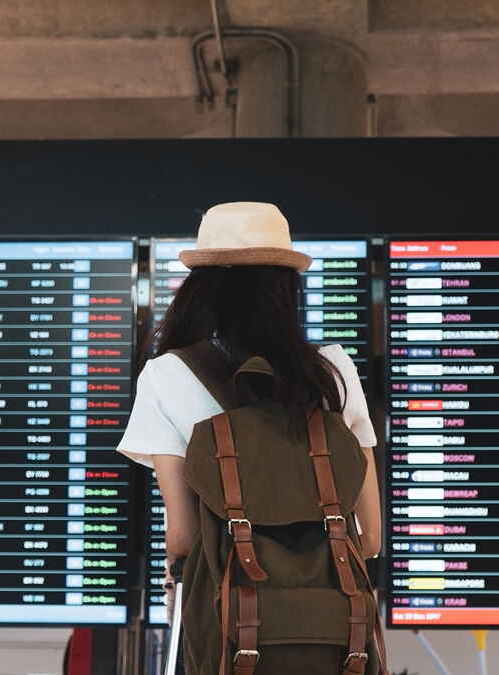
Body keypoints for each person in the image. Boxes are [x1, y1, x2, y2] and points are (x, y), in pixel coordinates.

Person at [116, 201, 381, 626]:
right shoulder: (333, 370)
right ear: (286, 287)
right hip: (327, 633)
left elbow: (185, 538)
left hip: (227, 626)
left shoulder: (166, 375)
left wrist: (177, 577)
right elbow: (369, 535)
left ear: (200, 287)